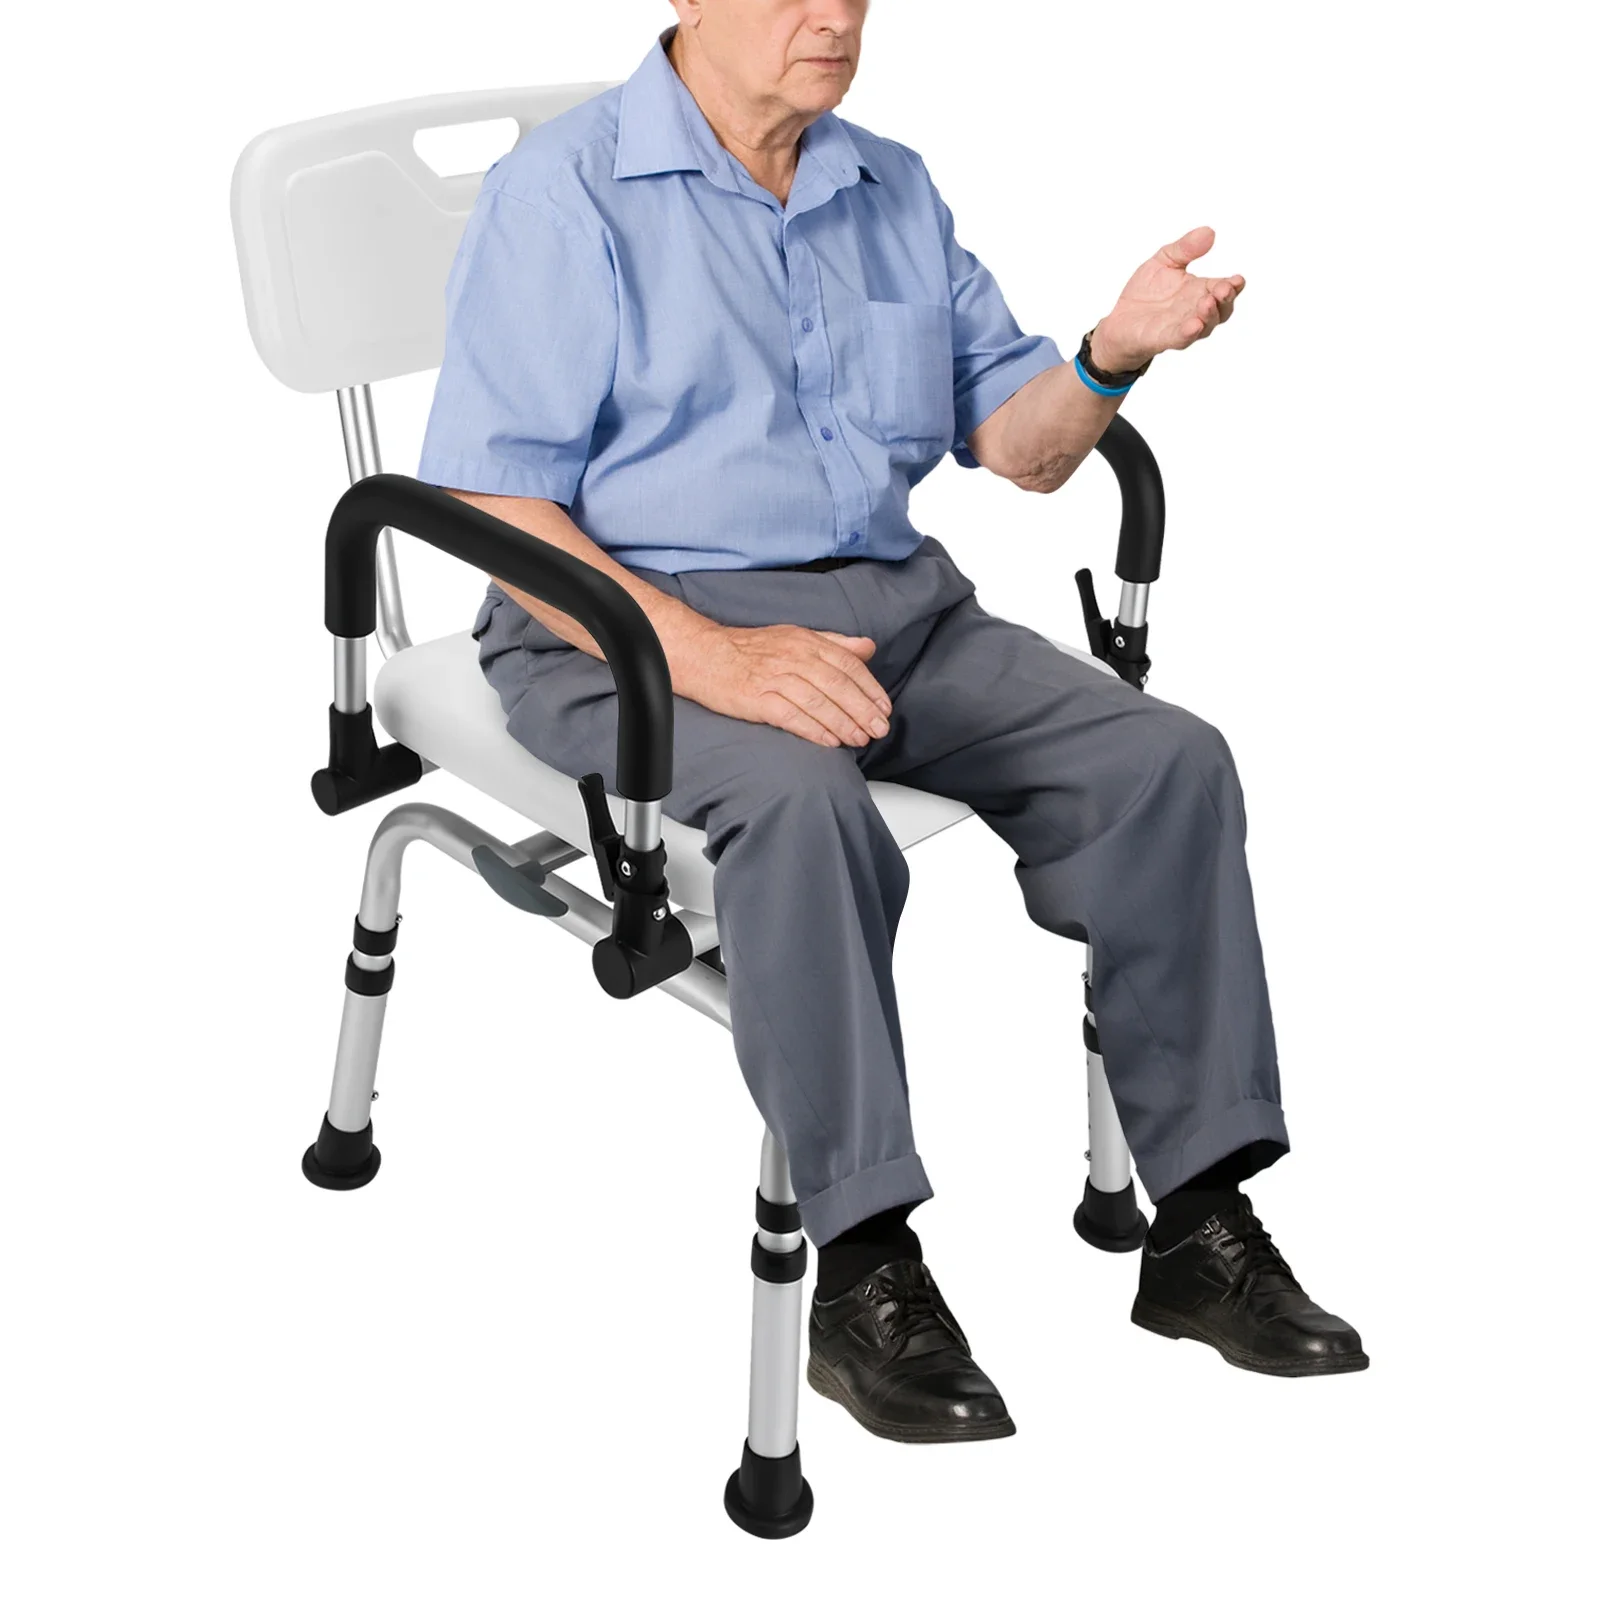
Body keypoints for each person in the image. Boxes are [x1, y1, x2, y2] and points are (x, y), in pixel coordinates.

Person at [418, 1, 1368, 1442]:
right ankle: (864, 1270)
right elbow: (495, 502)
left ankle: (1200, 1227)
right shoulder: (561, 195)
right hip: (616, 625)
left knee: (1165, 760)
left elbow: (1022, 450)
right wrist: (704, 658)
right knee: (803, 805)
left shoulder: (888, 186)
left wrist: (1109, 355)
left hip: (888, 610)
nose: (836, 14)